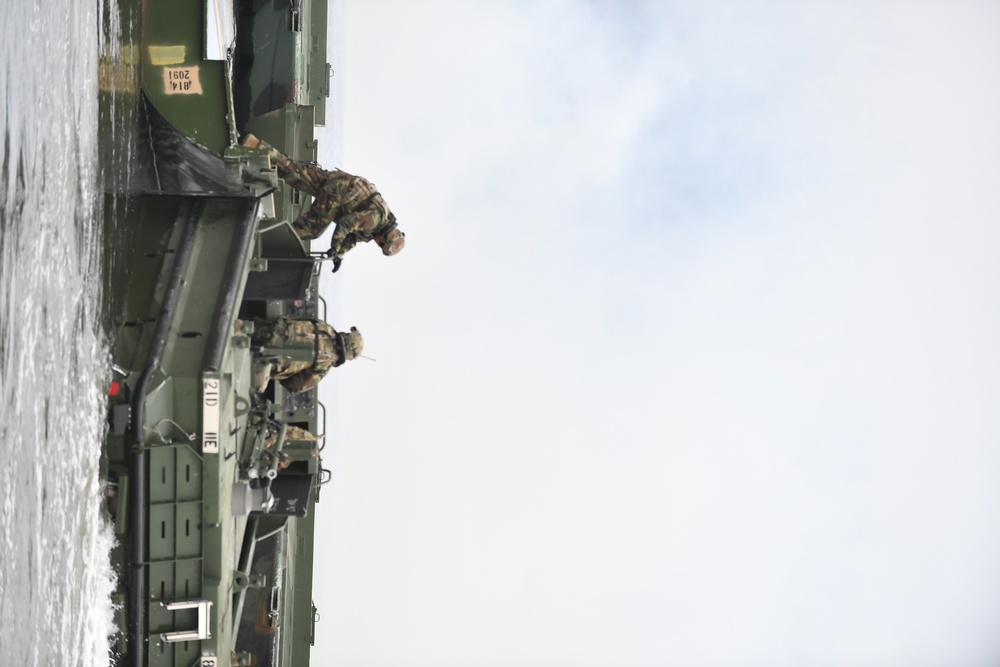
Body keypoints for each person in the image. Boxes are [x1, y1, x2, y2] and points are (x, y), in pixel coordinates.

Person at [241, 133, 405, 271]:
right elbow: (346, 223)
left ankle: (255, 146)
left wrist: (339, 255)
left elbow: (352, 238)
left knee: (295, 175)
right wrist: (334, 247)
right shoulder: (374, 221)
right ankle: (263, 238)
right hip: (336, 192)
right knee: (311, 229)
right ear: (385, 237)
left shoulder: (376, 227)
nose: (377, 245)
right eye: (381, 244)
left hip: (337, 186)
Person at [249, 317, 364, 393]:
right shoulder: (323, 367)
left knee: (239, 329)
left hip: (266, 331)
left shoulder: (325, 326)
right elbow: (296, 386)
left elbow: (299, 319)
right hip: (269, 362)